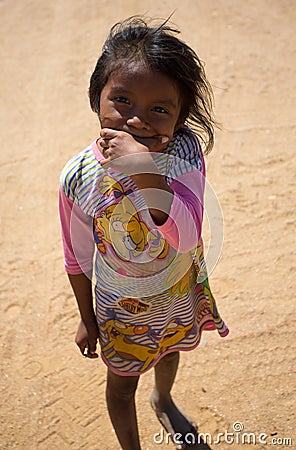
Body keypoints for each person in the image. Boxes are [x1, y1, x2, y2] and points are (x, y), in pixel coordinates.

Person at [59, 16, 229, 450]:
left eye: (159, 108)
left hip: (174, 291)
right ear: (96, 97)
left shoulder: (185, 152)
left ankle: (164, 397)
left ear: (180, 116)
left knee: (170, 351)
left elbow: (186, 234)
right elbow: (76, 257)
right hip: (121, 309)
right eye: (122, 100)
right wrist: (85, 316)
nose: (137, 121)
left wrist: (141, 168)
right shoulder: (80, 177)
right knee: (120, 386)